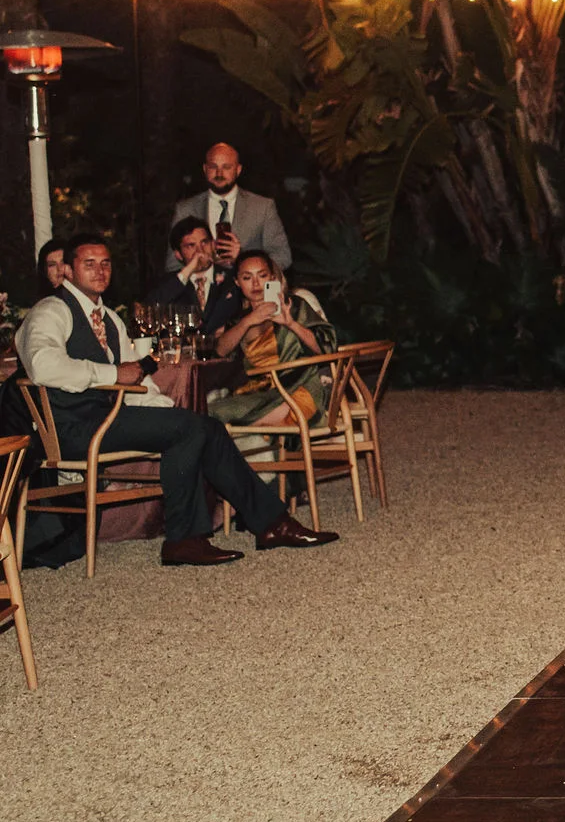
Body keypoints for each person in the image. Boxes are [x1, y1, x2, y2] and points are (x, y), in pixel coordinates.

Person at [16, 233, 337, 565]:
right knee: (193, 428)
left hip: (109, 420)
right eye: (89, 264)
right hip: (70, 427)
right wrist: (112, 375)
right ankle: (193, 536)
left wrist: (172, 412)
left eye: (106, 263)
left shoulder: (109, 319)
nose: (99, 271)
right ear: (67, 270)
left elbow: (141, 385)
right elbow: (42, 366)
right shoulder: (51, 311)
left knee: (203, 427)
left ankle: (268, 524)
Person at [211, 251, 339, 426]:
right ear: (237, 282)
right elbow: (220, 351)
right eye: (247, 278)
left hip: (299, 389)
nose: (256, 283)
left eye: (262, 276)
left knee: (217, 420)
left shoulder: (293, 306)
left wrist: (291, 324)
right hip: (260, 393)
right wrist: (249, 321)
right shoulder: (239, 320)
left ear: (272, 277)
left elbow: (327, 348)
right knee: (209, 411)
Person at [166, 143, 292, 272]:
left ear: (238, 170)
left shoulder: (262, 207)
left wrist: (242, 259)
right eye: (213, 167)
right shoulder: (185, 209)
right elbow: (172, 265)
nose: (219, 173)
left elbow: (283, 257)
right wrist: (201, 265)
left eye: (226, 167)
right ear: (205, 169)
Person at [146, 217, 246, 337]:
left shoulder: (232, 277)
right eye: (190, 246)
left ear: (213, 244)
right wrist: (188, 271)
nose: (200, 251)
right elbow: (149, 312)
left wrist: (240, 261)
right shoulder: (171, 283)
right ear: (178, 254)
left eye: (204, 242)